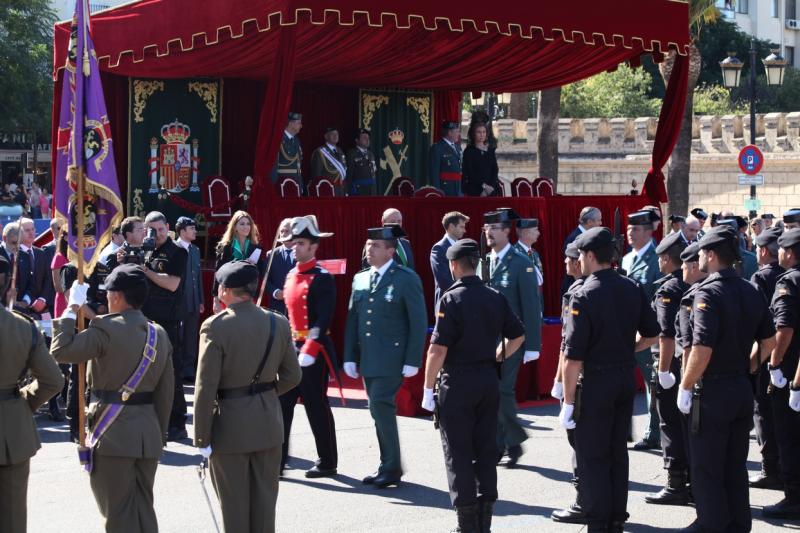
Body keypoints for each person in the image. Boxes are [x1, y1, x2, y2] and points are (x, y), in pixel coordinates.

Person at [51, 265, 175, 533]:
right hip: (148, 435)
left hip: (112, 435)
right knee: (144, 511)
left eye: (108, 293)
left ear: (117, 296)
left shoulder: (104, 329)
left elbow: (60, 350)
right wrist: (158, 434)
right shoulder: (159, 333)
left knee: (118, 515)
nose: (106, 298)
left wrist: (71, 308)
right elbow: (166, 394)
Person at [675, 225, 776, 532]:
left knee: (707, 466)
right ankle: (737, 524)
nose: (700, 257)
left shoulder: (708, 292)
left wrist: (686, 385)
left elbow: (702, 348)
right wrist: (747, 365)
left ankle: (711, 523)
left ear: (712, 254)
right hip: (740, 386)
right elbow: (769, 341)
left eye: (702, 252)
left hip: (714, 390)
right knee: (734, 466)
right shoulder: (750, 288)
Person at [558, 227, 659, 532]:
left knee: (592, 456)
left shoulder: (583, 293)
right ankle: (616, 517)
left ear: (589, 256)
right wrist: (628, 347)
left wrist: (568, 400)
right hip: (623, 377)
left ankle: (598, 521)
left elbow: (574, 356)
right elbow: (652, 333)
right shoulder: (631, 287)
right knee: (617, 452)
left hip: (596, 382)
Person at [421, 238, 525, 533]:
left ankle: (467, 525)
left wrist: (428, 389)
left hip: (458, 381)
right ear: (475, 264)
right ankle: (484, 521)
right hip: (487, 379)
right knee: (485, 450)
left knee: (458, 454)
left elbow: (437, 350)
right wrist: (496, 355)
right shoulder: (495, 296)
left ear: (454, 265)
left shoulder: (450, 299)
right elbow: (517, 335)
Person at [194, 261, 302, 533]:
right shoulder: (277, 321)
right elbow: (292, 376)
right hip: (268, 425)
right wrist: (264, 394)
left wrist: (201, 438)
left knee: (234, 510)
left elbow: (206, 387)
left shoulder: (215, 327)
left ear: (226, 290)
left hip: (230, 428)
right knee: (265, 508)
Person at [343, 225, 426, 487]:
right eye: (368, 244)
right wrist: (349, 355)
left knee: (380, 405)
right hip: (369, 358)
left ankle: (390, 467)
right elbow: (353, 320)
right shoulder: (361, 278)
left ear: (390, 251)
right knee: (377, 410)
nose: (369, 249)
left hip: (393, 357)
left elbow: (417, 320)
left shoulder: (406, 278)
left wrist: (414, 359)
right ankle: (387, 464)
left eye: (376, 245)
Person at [0, 278, 62, 533]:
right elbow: (53, 380)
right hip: (12, 431)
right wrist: (22, 403)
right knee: (12, 520)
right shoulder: (22, 326)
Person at [279, 215, 339, 478]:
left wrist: (311, 347)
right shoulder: (291, 274)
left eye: (301, 243)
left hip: (313, 352)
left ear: (314, 246)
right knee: (282, 405)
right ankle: (278, 460)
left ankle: (327, 460)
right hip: (291, 349)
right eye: (294, 243)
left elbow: (324, 317)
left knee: (316, 405)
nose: (295, 247)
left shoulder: (322, 277)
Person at [480, 209, 541, 466]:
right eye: (486, 229)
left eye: (494, 228)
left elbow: (530, 305)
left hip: (511, 339)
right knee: (491, 392)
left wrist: (533, 345)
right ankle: (503, 443)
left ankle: (512, 441)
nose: (489, 233)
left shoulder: (520, 263)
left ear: (507, 231)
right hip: (487, 339)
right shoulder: (486, 262)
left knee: (502, 390)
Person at [645, 230, 691, 505]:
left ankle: (676, 483)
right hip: (685, 363)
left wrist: (663, 371)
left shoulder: (668, 289)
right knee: (685, 423)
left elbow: (665, 334)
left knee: (669, 423)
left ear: (665, 259)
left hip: (670, 364)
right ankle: (691, 479)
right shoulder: (689, 283)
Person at [140, 211, 188, 442]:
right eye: (151, 230)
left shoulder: (177, 252)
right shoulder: (145, 250)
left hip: (167, 320)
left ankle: (178, 422)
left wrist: (147, 271)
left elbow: (172, 284)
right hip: (145, 319)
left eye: (160, 229)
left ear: (168, 227)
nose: (156, 234)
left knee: (171, 373)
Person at [762, 228, 800, 519]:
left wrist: (774, 364)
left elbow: (784, 330)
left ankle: (794, 496)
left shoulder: (788, 282)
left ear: (789, 253)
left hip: (790, 371)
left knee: (788, 435)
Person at [551, 242, 589, 525]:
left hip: (584, 378)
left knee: (581, 443)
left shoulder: (578, 294)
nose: (565, 263)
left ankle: (584, 500)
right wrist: (556, 378)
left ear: (580, 262)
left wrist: (567, 390)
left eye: (569, 259)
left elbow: (570, 346)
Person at [621, 210, 662, 450]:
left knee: (652, 383)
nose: (630, 233)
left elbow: (657, 299)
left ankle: (653, 431)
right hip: (626, 331)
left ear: (649, 232)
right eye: (629, 229)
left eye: (636, 229)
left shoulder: (657, 259)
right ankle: (624, 429)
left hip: (647, 333)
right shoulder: (626, 259)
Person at [749, 226, 784, 490]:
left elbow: (756, 323)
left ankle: (770, 468)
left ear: (762, 251)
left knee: (763, 410)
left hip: (766, 352)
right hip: (789, 354)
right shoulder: (789, 275)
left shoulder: (760, 279)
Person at [213, 210, 265, 313]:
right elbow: (218, 273)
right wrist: (215, 300)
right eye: (242, 224)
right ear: (234, 227)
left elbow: (260, 272)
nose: (246, 227)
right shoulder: (225, 247)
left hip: (248, 295)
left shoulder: (256, 248)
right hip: (229, 294)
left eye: (248, 224)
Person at [175, 217, 204, 380]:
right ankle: (177, 368)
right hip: (179, 301)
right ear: (182, 231)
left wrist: (200, 300)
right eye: (191, 228)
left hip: (193, 300)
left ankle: (188, 370)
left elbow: (197, 276)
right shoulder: (173, 248)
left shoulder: (195, 250)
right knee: (178, 335)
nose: (194, 231)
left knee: (191, 336)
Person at [430, 211, 469, 307]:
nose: (465, 231)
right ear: (451, 227)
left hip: (462, 302)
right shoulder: (439, 248)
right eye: (461, 227)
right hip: (446, 302)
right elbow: (444, 281)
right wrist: (465, 291)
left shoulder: (462, 246)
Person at [15, 217, 52, 317]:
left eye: (33, 229)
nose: (31, 233)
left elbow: (48, 278)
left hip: (41, 309)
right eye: (27, 230)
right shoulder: (14, 254)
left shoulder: (40, 253)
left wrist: (42, 299)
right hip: (19, 309)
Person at [562, 207, 602, 295]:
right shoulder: (576, 238)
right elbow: (573, 267)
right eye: (598, 220)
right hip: (575, 288)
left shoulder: (585, 236)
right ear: (589, 222)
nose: (600, 223)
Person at [265, 218, 296, 316]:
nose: (283, 234)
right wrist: (275, 292)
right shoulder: (271, 255)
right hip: (277, 308)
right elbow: (265, 280)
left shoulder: (303, 253)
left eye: (287, 231)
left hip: (298, 308)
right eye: (281, 231)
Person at [462, 122, 500, 197]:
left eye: (484, 132)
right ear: (474, 134)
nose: (482, 134)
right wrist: (484, 187)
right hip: (475, 189)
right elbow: (470, 172)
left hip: (491, 189)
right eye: (479, 132)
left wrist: (490, 187)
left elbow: (495, 169)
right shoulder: (469, 151)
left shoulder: (490, 151)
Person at [429, 120, 463, 196]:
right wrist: (437, 192)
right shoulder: (437, 148)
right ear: (450, 133)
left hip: (458, 190)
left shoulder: (458, 148)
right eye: (457, 131)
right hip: (445, 190)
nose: (459, 134)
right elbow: (434, 173)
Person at [271, 112, 303, 191]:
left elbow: (298, 166)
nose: (301, 126)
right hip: (282, 184)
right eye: (299, 123)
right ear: (290, 123)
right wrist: (274, 186)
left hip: (296, 183)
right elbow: (273, 166)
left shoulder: (296, 140)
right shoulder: (278, 139)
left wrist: (300, 184)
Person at [310, 127, 347, 196]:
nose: (335, 136)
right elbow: (317, 175)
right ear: (326, 136)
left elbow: (343, 172)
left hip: (341, 189)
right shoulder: (320, 152)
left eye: (337, 134)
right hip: (328, 190)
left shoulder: (340, 151)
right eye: (332, 134)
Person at [514, 218, 544, 293]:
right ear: (525, 232)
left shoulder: (534, 253)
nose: (538, 233)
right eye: (536, 230)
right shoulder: (515, 254)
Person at [346, 128, 377, 196]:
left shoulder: (370, 154)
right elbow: (349, 174)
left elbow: (374, 172)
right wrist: (347, 191)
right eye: (364, 138)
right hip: (359, 190)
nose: (367, 140)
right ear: (357, 140)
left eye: (368, 138)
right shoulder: (352, 153)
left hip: (371, 190)